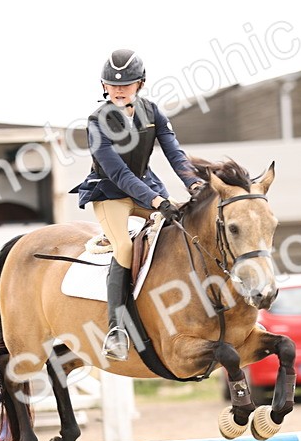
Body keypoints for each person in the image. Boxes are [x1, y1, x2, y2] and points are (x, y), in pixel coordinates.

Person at [72, 48, 206, 361]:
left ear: (140, 84)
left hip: (147, 187)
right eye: (113, 84)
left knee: (183, 230)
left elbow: (175, 154)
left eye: (127, 84)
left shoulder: (153, 113)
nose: (119, 89)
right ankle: (117, 328)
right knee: (124, 247)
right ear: (104, 86)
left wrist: (194, 184)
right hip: (110, 193)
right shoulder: (96, 121)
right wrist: (156, 200)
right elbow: (117, 172)